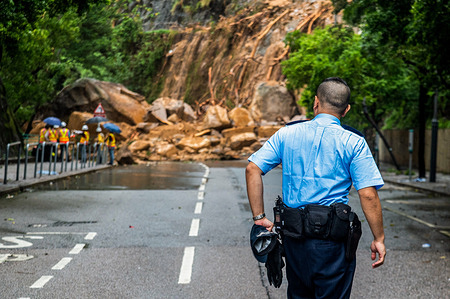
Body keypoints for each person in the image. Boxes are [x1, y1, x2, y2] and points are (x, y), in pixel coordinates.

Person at [246, 77, 386, 298]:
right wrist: (378, 239)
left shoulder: (286, 134)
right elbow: (368, 195)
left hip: (293, 240)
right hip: (332, 245)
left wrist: (259, 217)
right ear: (346, 109)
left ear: (315, 102)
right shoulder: (354, 142)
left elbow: (252, 169)